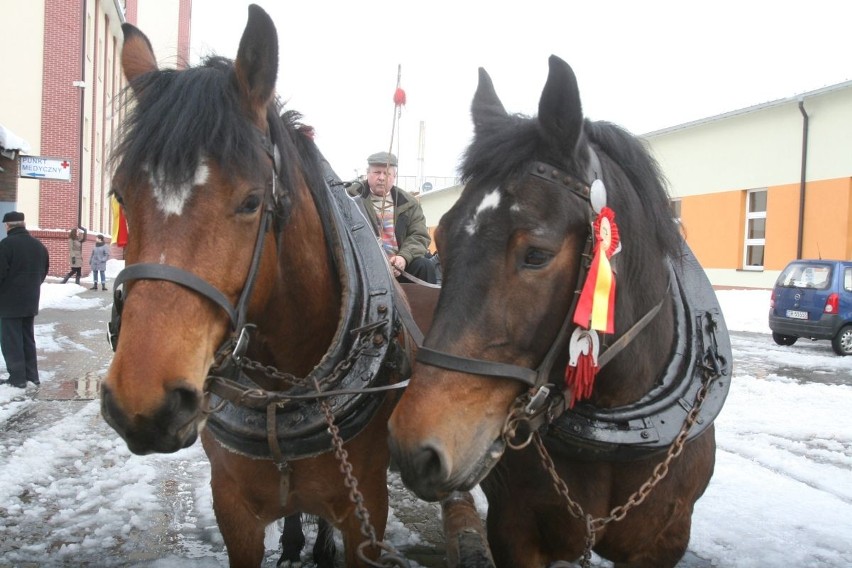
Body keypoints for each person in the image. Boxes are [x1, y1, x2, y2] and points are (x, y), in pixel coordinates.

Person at [350, 151, 436, 284]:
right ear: (368, 173)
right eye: (377, 172)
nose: (382, 177)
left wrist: (403, 258)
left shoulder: (409, 203)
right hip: (362, 266)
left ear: (394, 176)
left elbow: (419, 236)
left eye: (387, 173)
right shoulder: (350, 197)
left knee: (424, 265)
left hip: (398, 267)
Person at [0, 211, 50, 388]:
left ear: (8, 226)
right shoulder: (38, 245)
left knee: (11, 341)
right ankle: (32, 375)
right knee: (27, 338)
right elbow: (43, 272)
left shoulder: (5, 245)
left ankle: (18, 378)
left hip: (8, 303)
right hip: (30, 301)